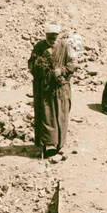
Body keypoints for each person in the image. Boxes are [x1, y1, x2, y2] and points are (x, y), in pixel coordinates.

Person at [28, 22, 76, 158]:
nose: (52, 39)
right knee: (46, 116)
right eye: (50, 36)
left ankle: (59, 145)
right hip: (45, 89)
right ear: (46, 35)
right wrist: (40, 70)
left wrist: (61, 71)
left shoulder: (65, 46)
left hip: (61, 88)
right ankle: (47, 144)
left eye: (55, 36)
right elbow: (31, 63)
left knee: (61, 115)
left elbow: (73, 64)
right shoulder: (39, 47)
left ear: (58, 36)